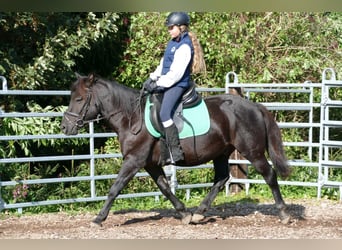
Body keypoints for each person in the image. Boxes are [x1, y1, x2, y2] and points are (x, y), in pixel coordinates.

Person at [144, 12, 206, 165]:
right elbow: (163, 65)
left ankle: (175, 152)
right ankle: (163, 150)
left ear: (181, 27)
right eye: (169, 27)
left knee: (165, 113)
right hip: (168, 82)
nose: (169, 30)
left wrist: (159, 84)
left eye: (172, 27)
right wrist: (152, 78)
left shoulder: (185, 46)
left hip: (177, 84)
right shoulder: (172, 43)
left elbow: (175, 74)